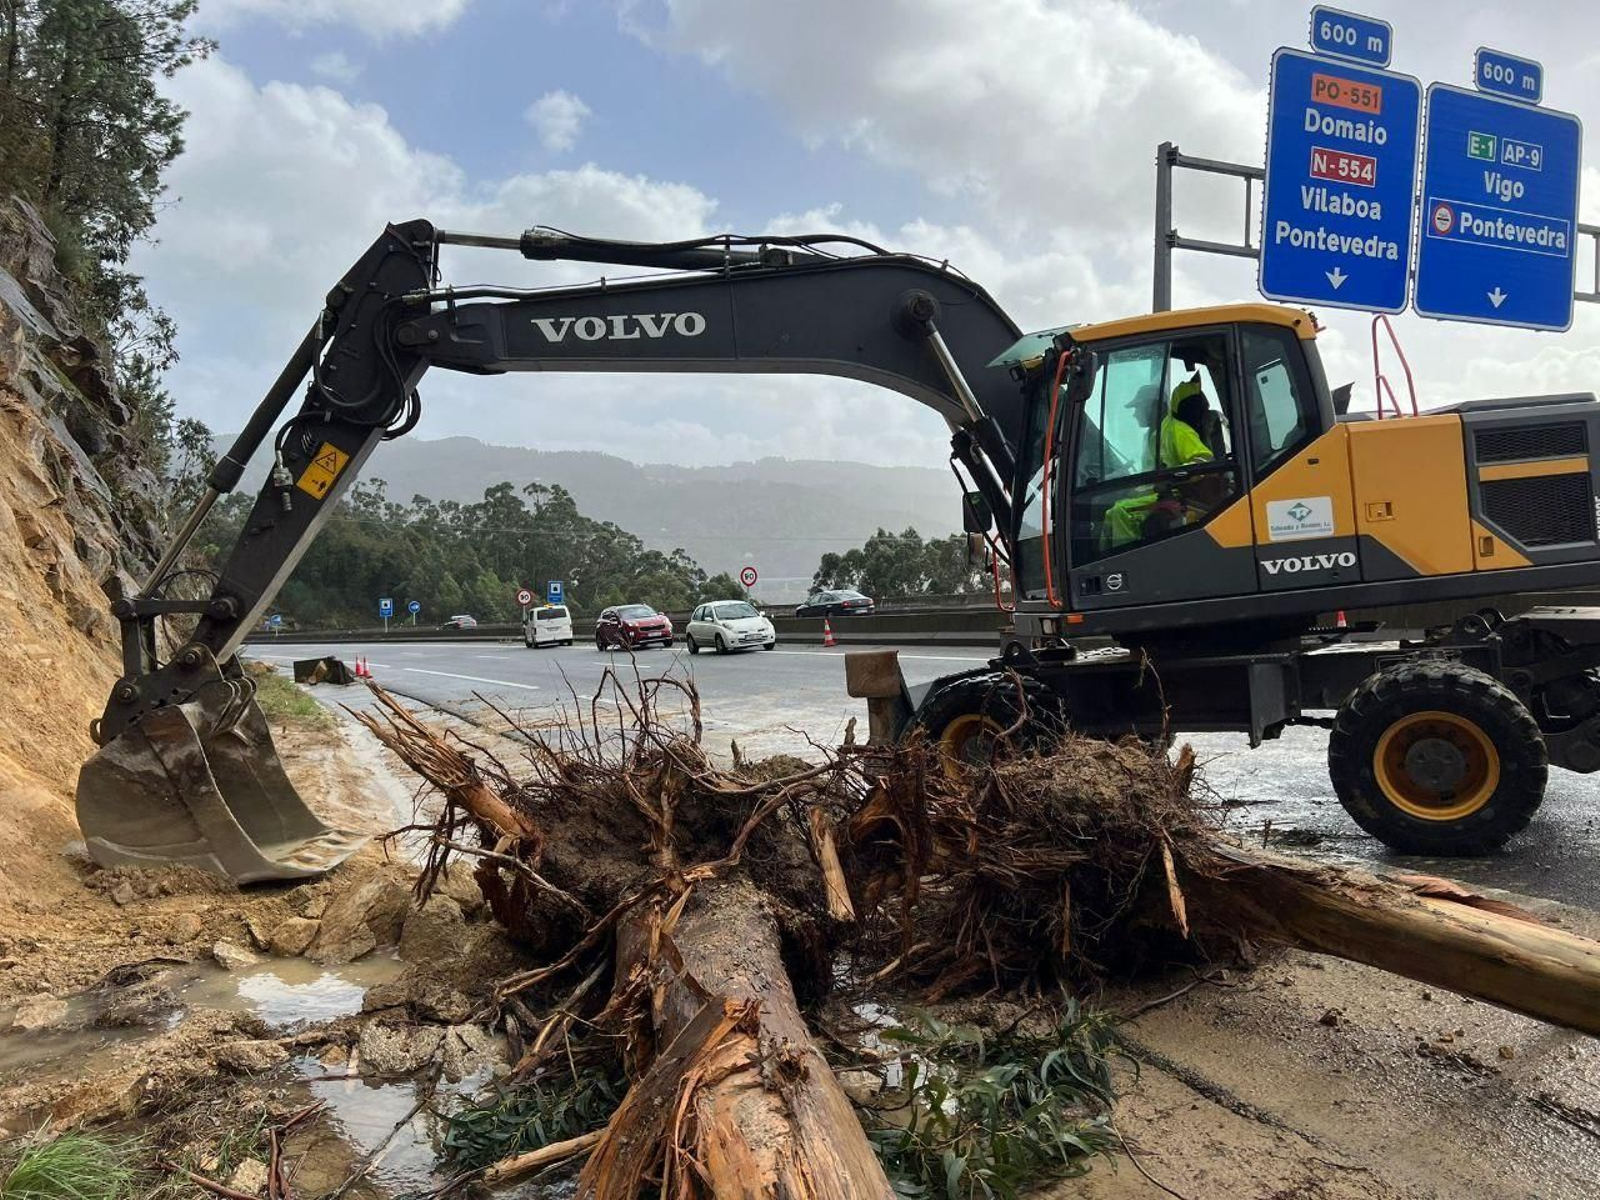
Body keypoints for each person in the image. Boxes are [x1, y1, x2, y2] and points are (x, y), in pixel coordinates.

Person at [1100, 374, 1215, 550]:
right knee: (1109, 512)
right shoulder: (1152, 435)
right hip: (1159, 494)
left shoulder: (1176, 430)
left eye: (1137, 408)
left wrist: (1172, 478)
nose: (1135, 414)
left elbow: (1204, 460)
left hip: (1176, 495)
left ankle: (1128, 560)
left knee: (1120, 512)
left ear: (1152, 407)